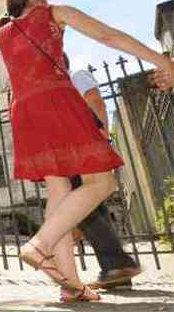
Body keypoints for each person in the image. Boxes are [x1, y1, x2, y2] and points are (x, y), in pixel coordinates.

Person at [0, 0, 174, 302]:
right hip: (56, 100)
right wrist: (161, 60)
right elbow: (107, 35)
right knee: (102, 183)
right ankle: (41, 244)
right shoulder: (53, 13)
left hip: (24, 111)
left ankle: (70, 284)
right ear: (36, 0)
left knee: (59, 190)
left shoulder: (2, 34)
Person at [63, 53, 141, 291]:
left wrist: (102, 137)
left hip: (87, 147)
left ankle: (117, 264)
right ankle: (117, 269)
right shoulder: (58, 90)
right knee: (92, 206)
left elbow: (95, 100)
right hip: (73, 151)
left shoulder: (77, 75)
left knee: (85, 205)